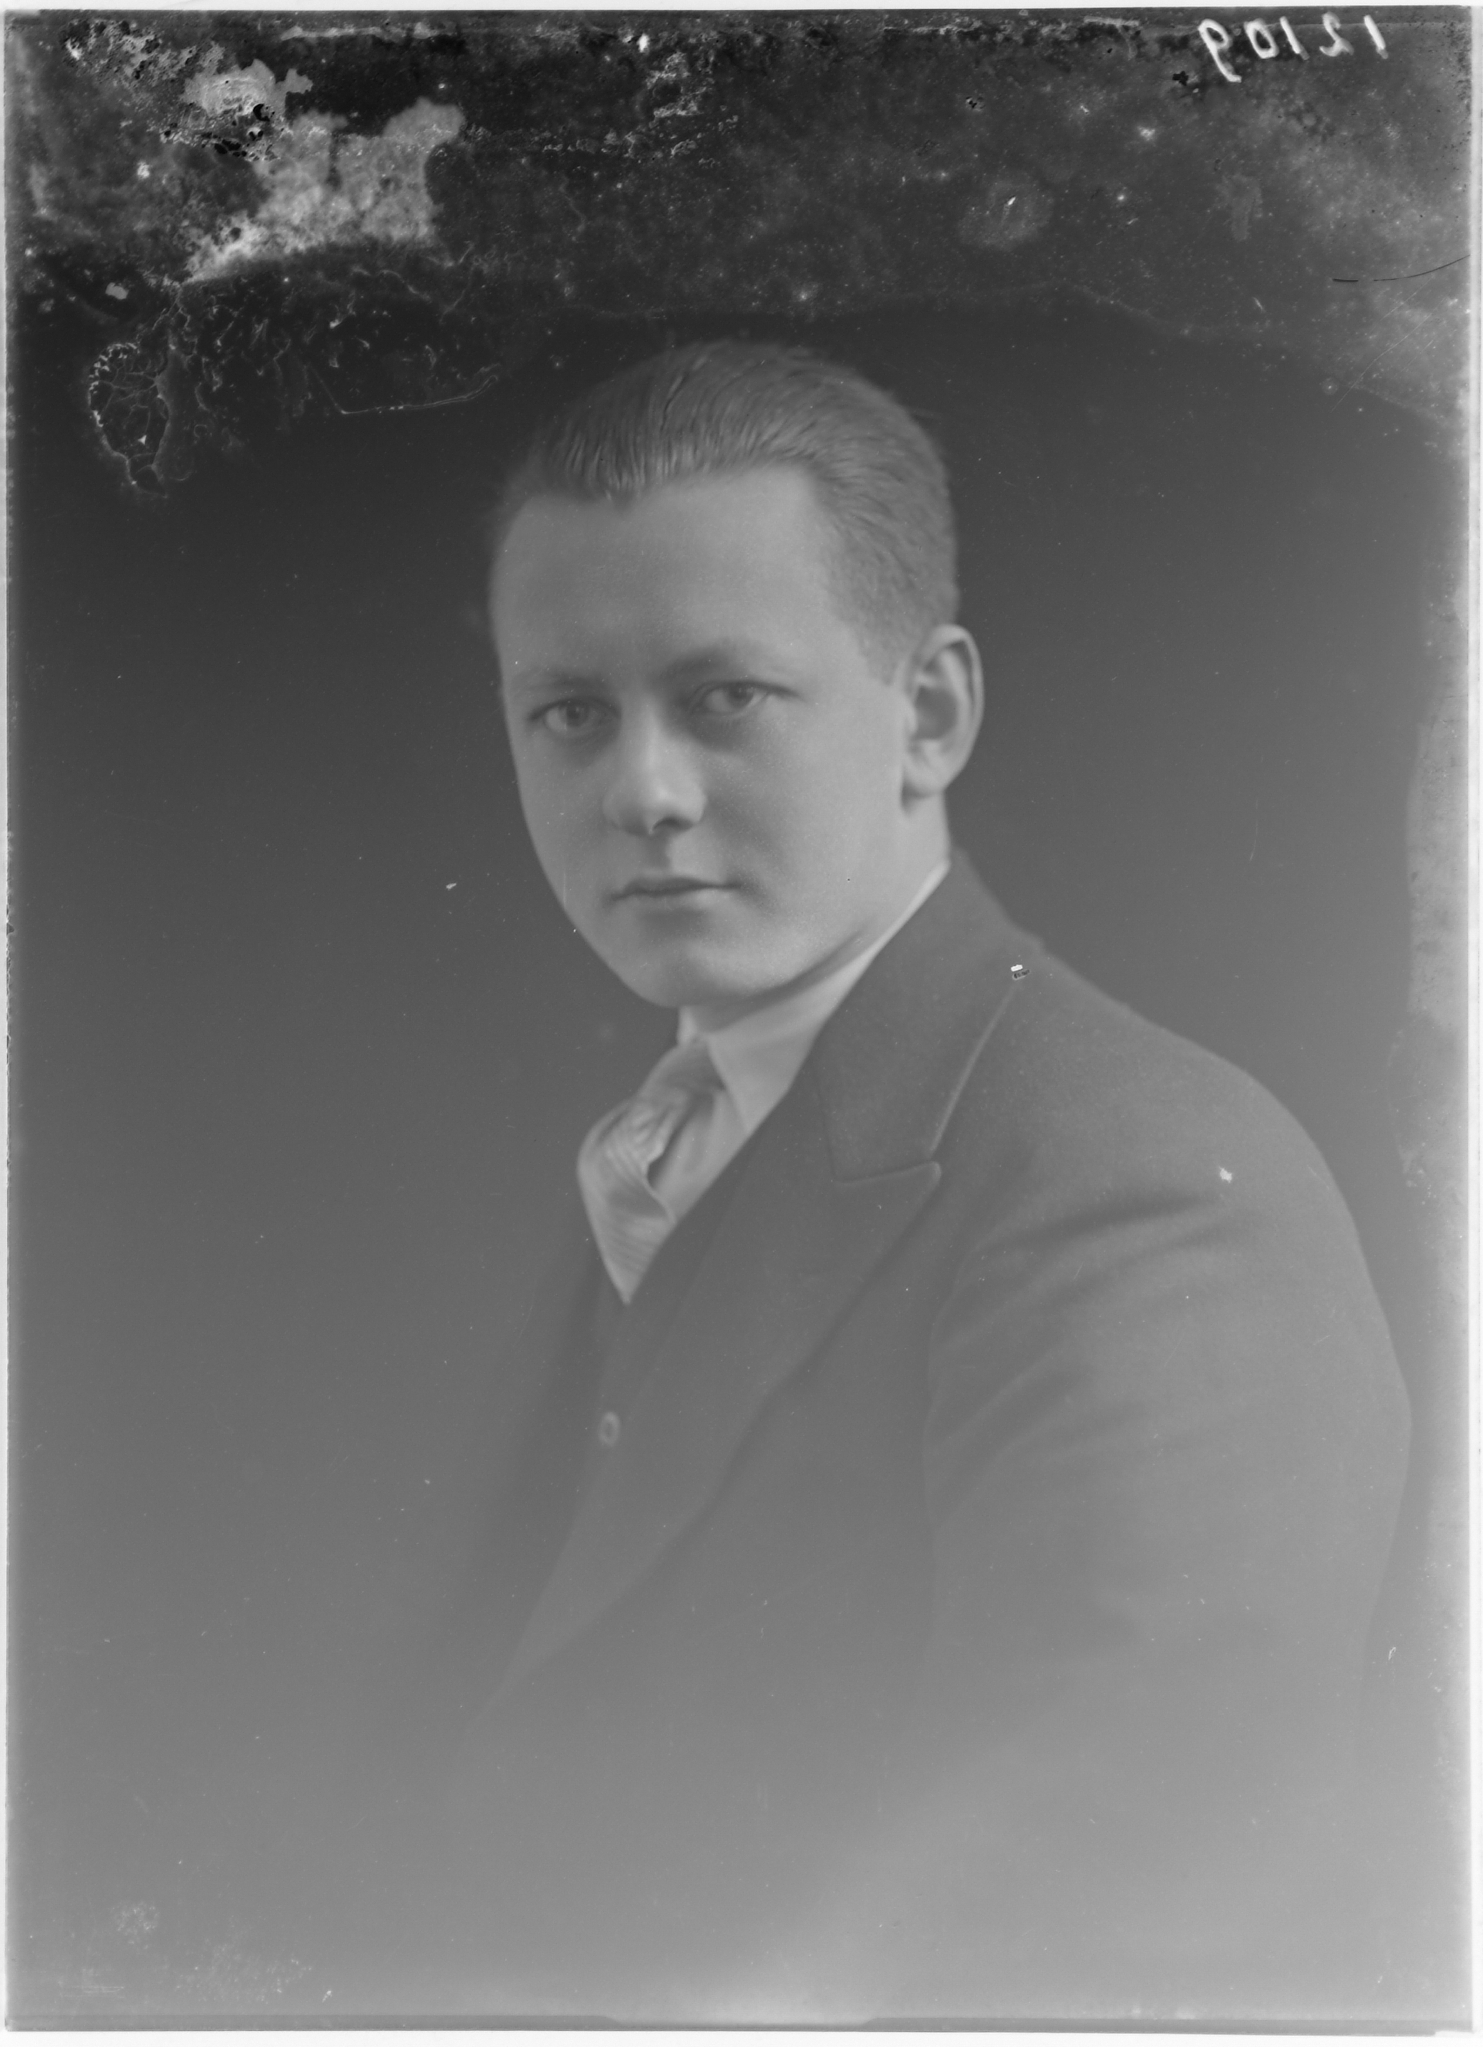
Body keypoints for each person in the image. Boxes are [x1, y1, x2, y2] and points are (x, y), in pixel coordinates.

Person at [365, 341, 1409, 2022]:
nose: (641, 793)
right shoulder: (681, 1129)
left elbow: (1106, 1901)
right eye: (570, 714)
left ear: (929, 716)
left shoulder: (1143, 1184)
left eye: (725, 698)